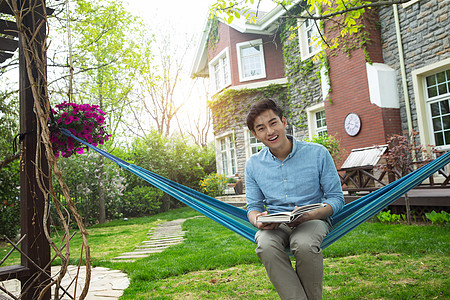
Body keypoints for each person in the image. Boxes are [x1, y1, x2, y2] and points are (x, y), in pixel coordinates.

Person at [245, 99, 344, 300]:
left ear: (283, 121)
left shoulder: (318, 154)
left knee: (304, 245)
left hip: (314, 219)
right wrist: (258, 221)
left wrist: (312, 214)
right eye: (261, 128)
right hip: (276, 224)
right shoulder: (253, 165)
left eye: (273, 123)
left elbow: (336, 198)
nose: (270, 132)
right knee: (265, 245)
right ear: (255, 135)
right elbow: (253, 207)